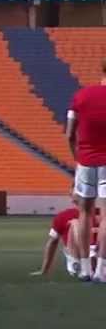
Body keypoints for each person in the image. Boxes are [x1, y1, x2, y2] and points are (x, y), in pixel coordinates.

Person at [67, 59, 106, 282]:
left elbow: (70, 134)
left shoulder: (81, 96)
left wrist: (78, 159)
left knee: (85, 213)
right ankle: (101, 269)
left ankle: (84, 268)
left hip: (86, 161)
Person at [32, 204, 100, 278]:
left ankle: (97, 266)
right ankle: (84, 266)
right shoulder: (64, 216)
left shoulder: (101, 213)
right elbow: (53, 241)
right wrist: (44, 269)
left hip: (99, 252)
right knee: (75, 223)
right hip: (78, 253)